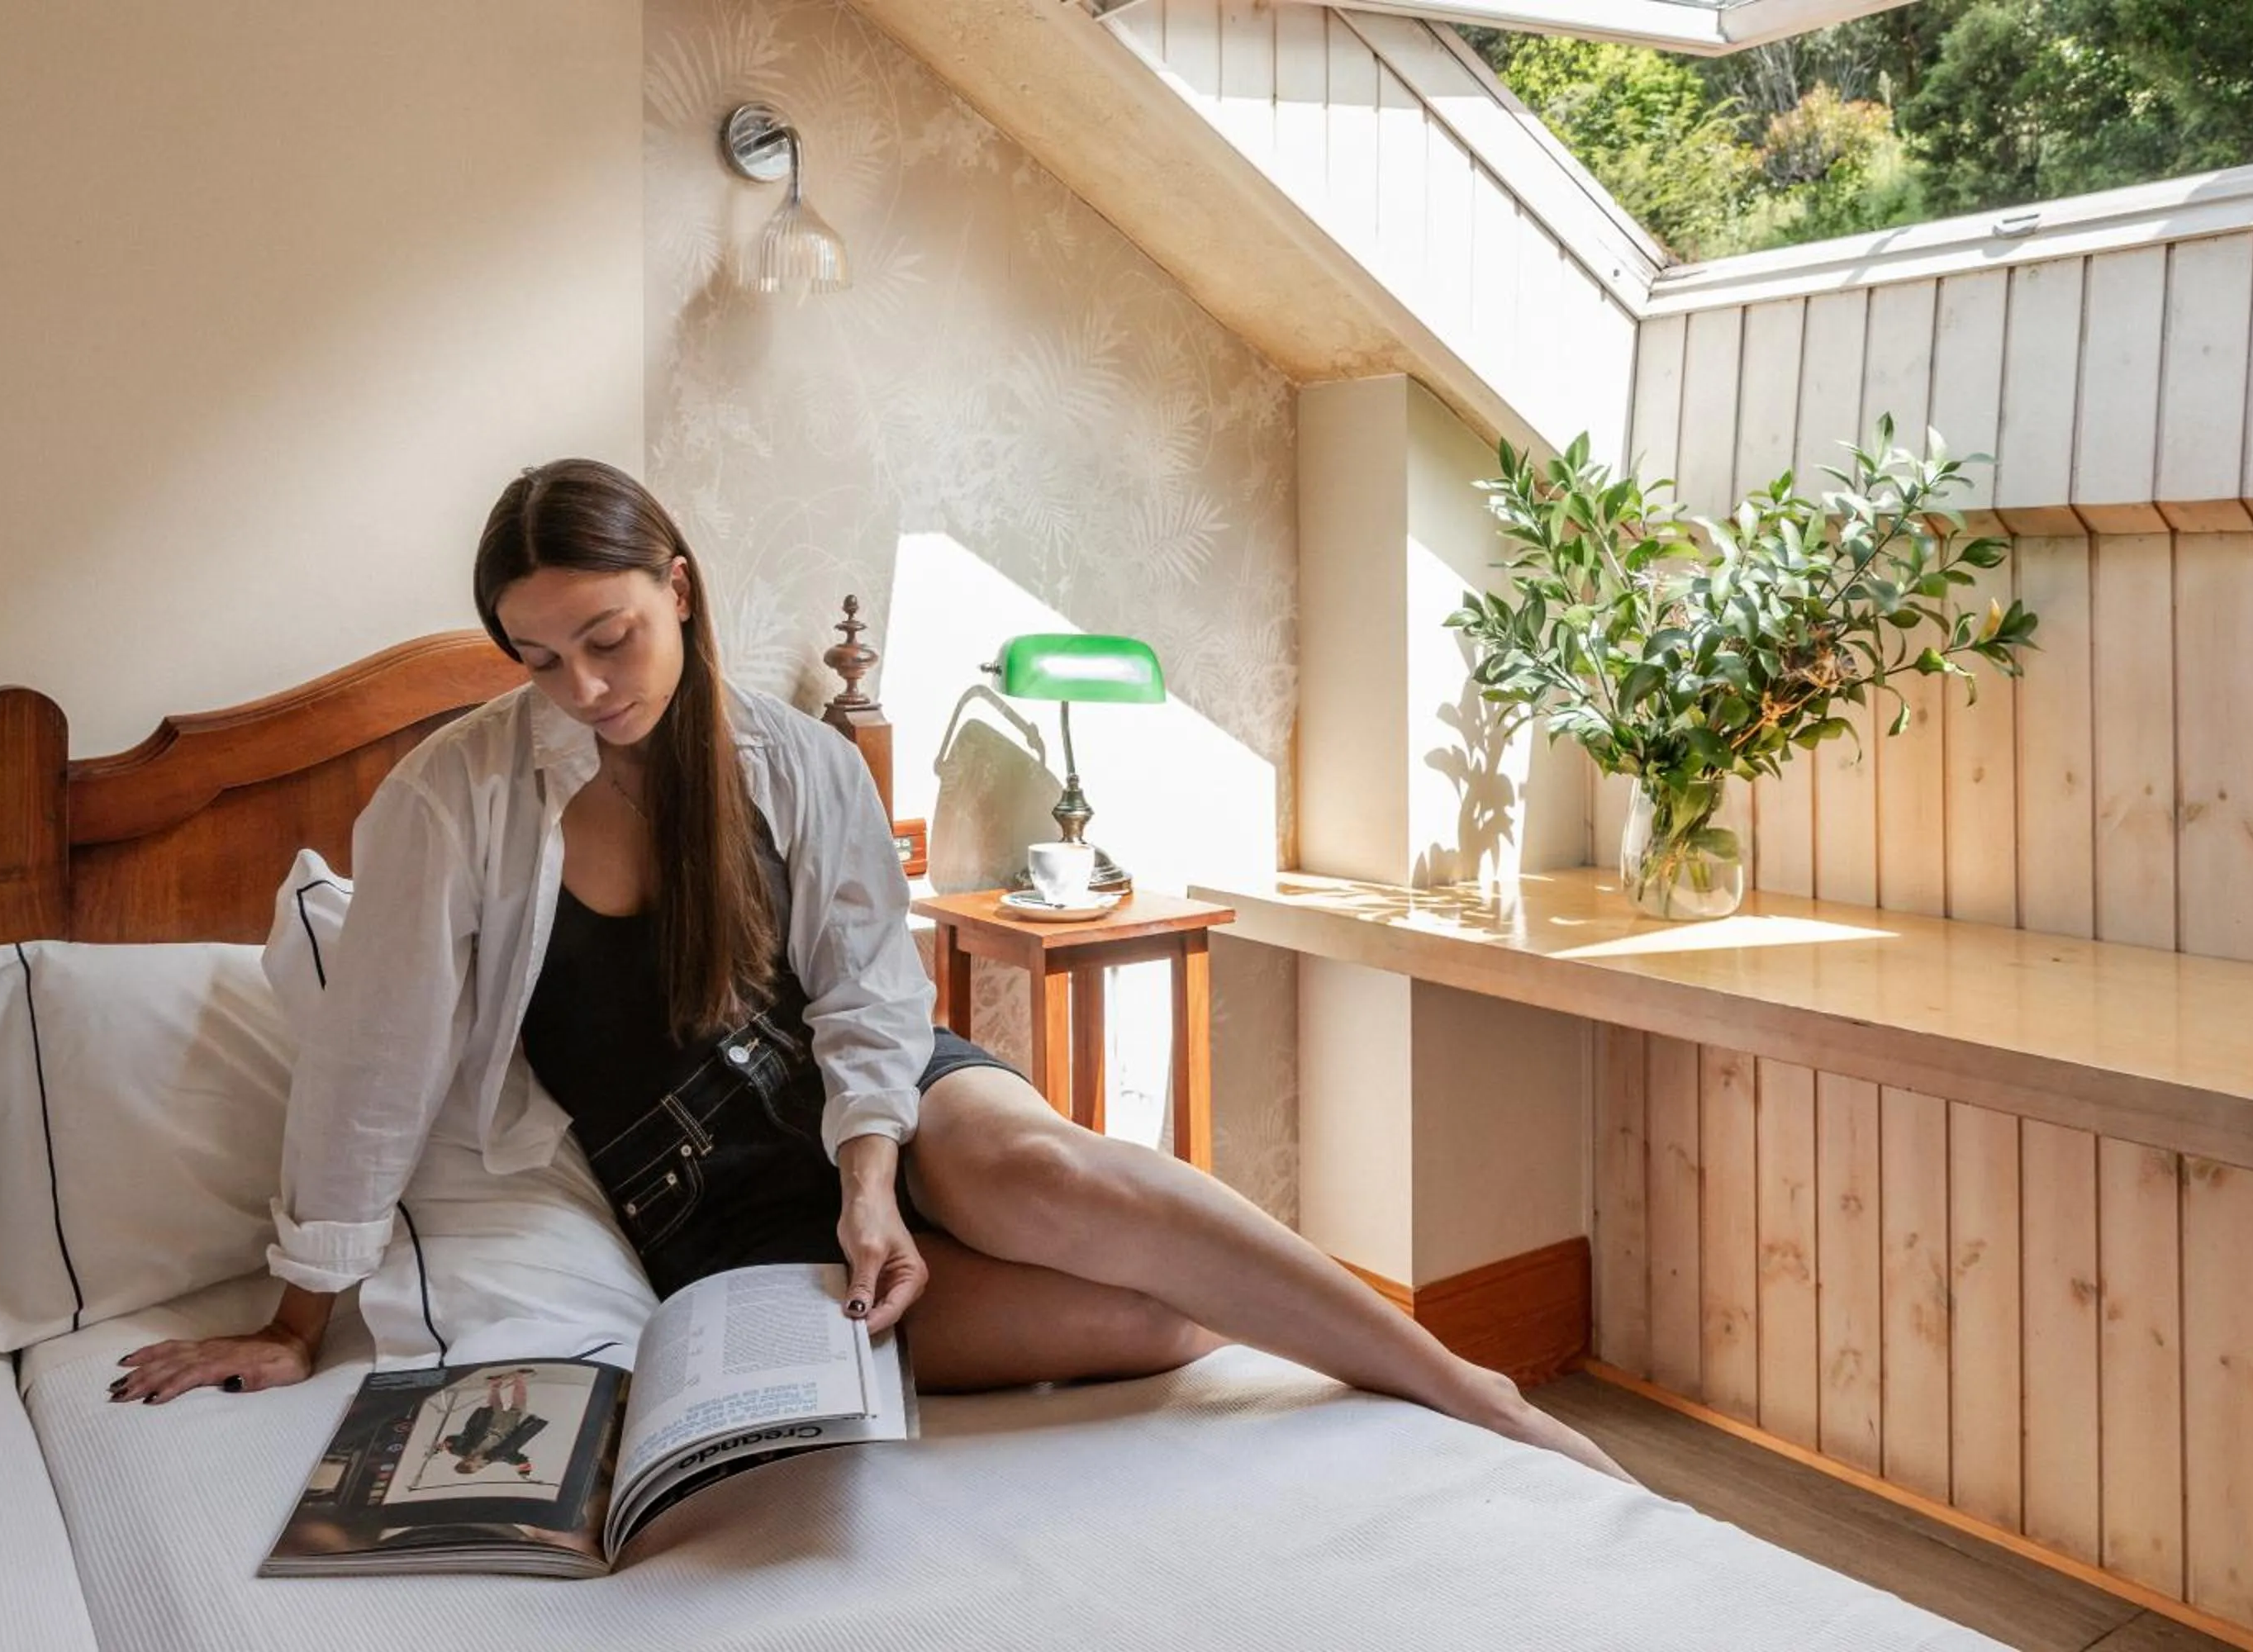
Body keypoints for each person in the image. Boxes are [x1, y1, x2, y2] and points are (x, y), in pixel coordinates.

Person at [111, 458, 1628, 1483]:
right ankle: (1289, 1312)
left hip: (879, 1101)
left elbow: (865, 991)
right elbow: (368, 1062)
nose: (581, 687)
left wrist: (873, 1175)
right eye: (536, 656)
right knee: (1151, 1322)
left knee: (1059, 1193)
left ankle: (1472, 1393)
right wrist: (296, 1320)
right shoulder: (448, 800)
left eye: (608, 637)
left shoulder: (791, 760)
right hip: (704, 1209)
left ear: (681, 590)